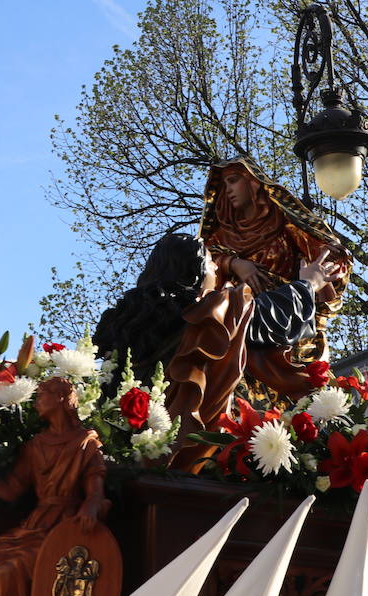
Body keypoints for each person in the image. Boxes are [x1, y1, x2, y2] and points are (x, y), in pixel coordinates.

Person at [94, 232, 341, 471]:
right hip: (189, 448)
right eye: (212, 263)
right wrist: (309, 283)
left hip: (125, 449)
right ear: (196, 270)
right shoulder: (210, 314)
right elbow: (267, 318)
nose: (216, 270)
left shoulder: (124, 322)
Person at [0, 376, 110, 596]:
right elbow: (12, 491)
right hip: (34, 525)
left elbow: (95, 492)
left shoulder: (86, 442)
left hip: (63, 530)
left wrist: (90, 507)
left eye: (41, 396)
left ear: (60, 398)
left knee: (7, 572)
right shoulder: (35, 445)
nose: (35, 404)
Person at [201, 157, 351, 359]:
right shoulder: (220, 236)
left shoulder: (284, 223)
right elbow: (200, 271)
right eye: (224, 184)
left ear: (252, 182)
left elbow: (323, 255)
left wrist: (329, 254)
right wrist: (235, 264)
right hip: (242, 331)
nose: (228, 189)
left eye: (234, 180)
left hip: (288, 322)